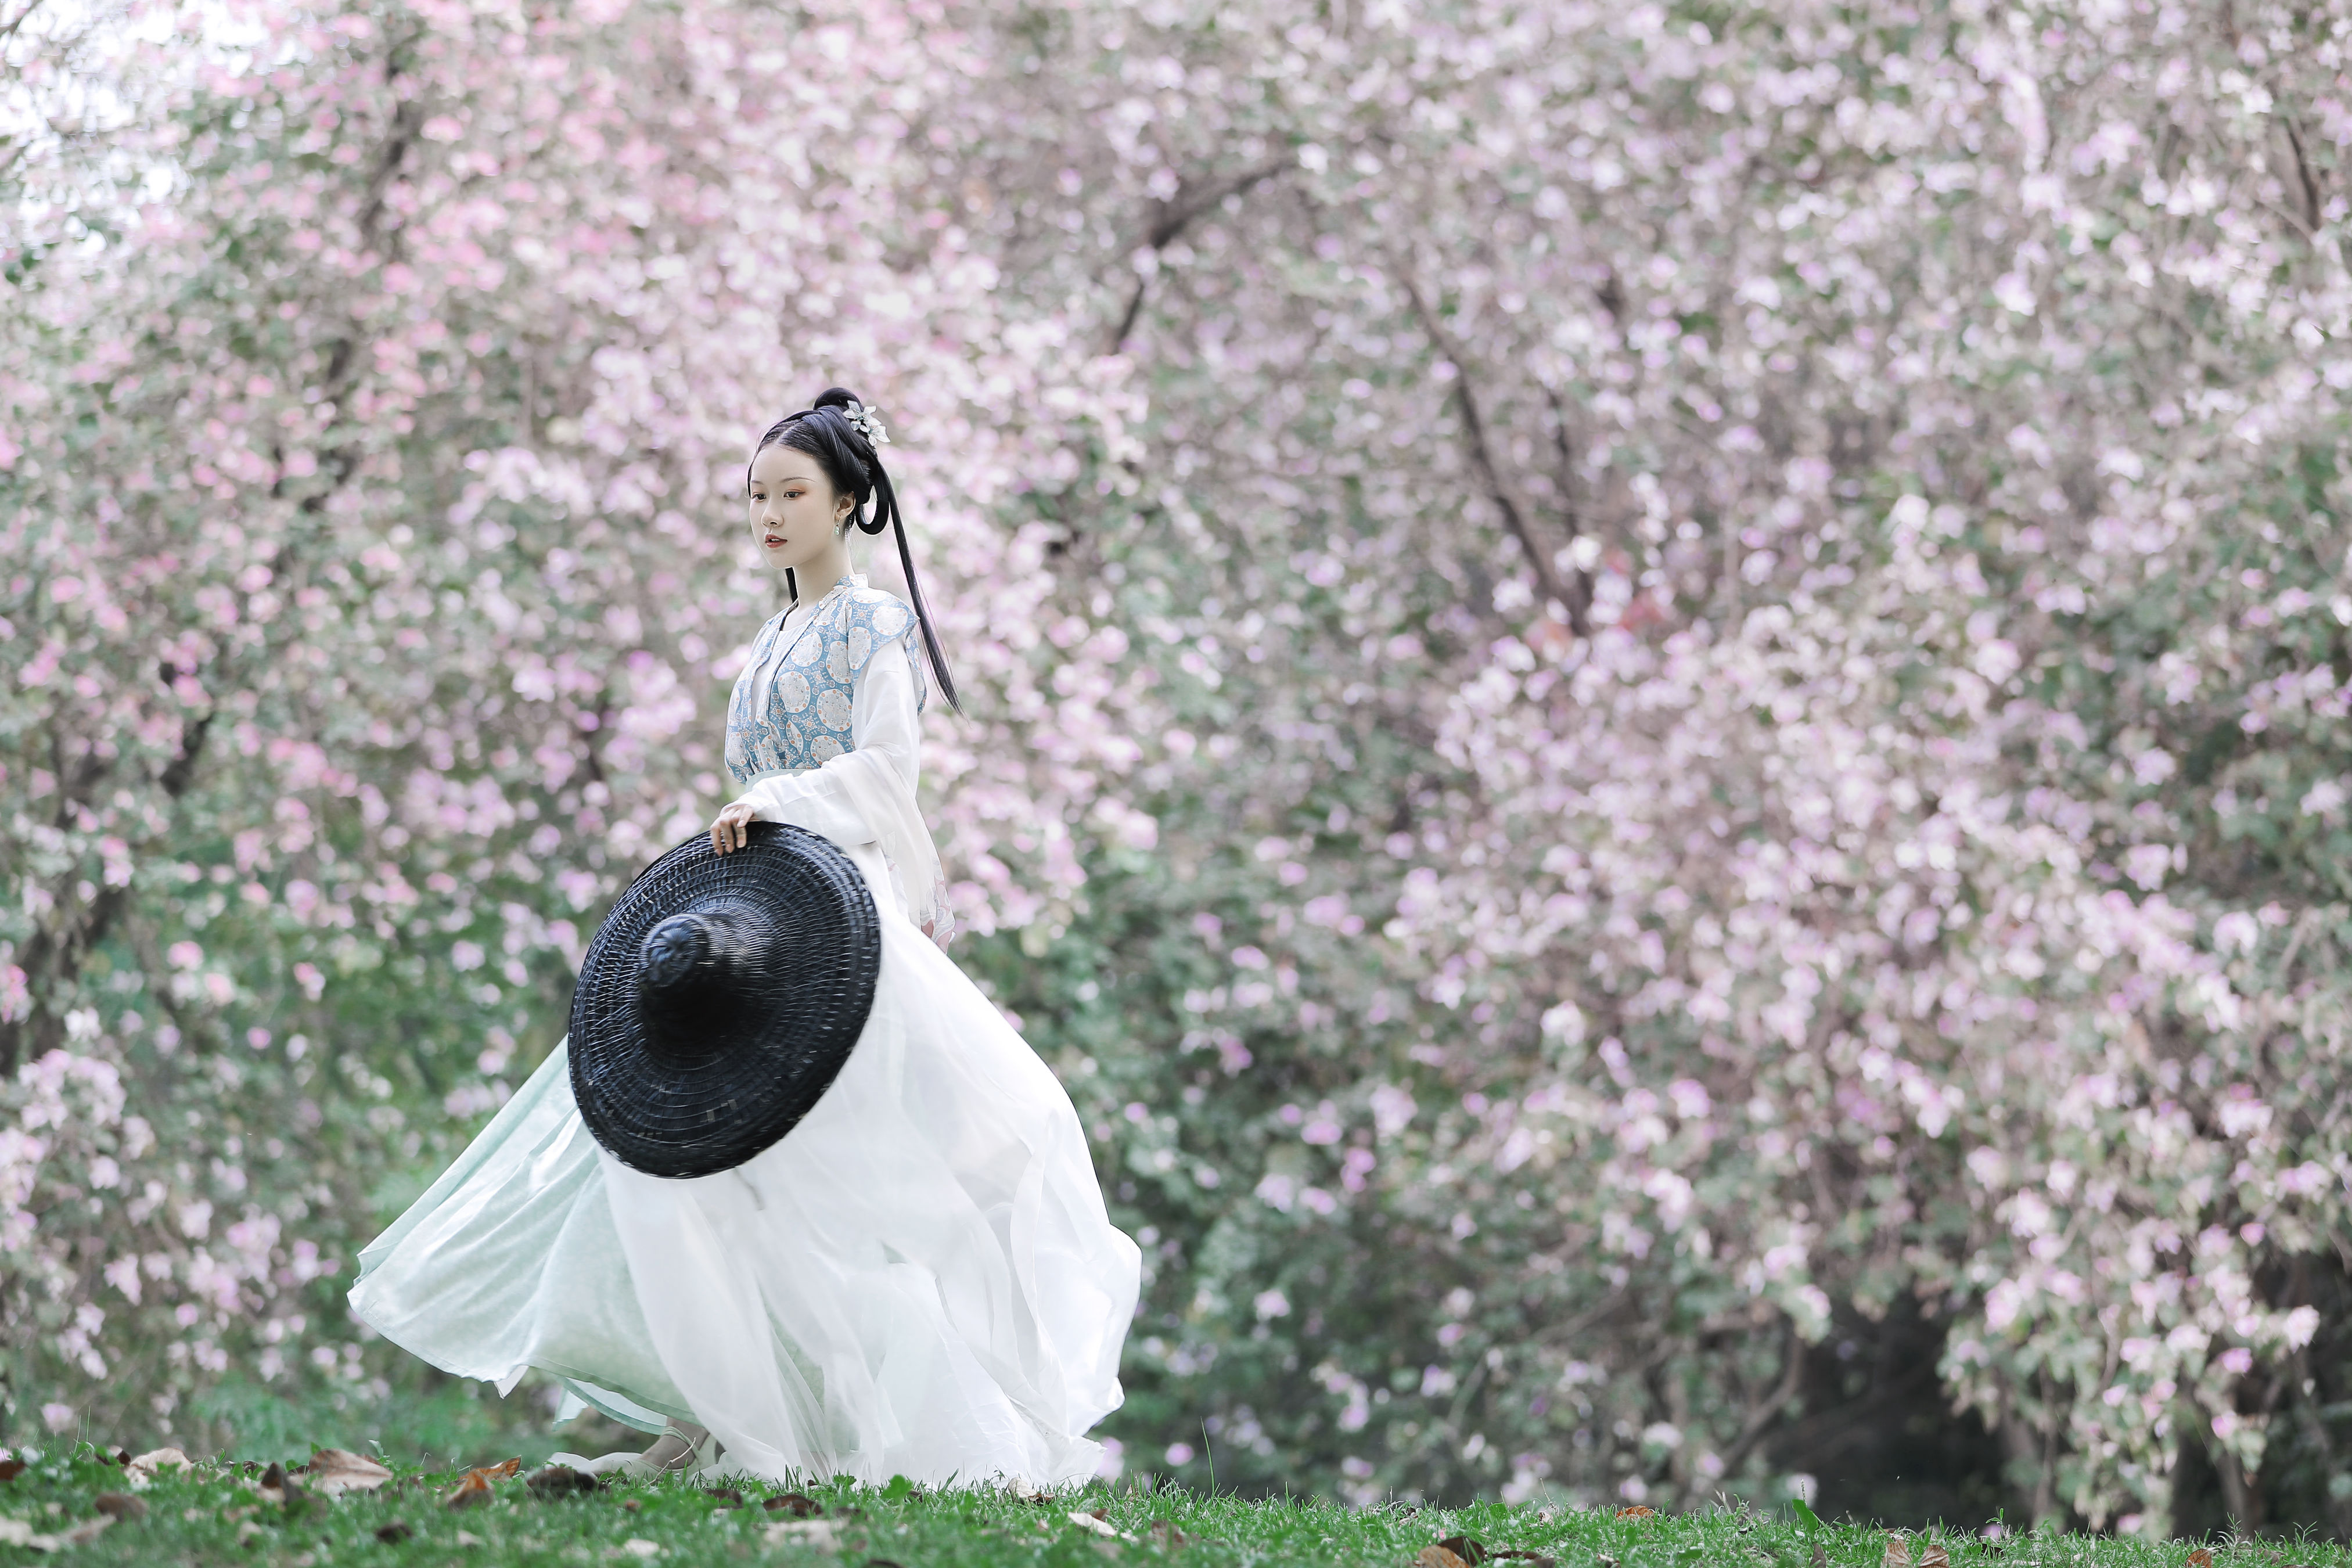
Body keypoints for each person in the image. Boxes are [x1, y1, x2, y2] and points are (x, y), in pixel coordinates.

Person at [348, 388, 1141, 1486]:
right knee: (701, 1167)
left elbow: (886, 771)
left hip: (831, 936)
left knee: (826, 1181)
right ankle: (717, 1416)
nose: (768, 513)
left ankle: (867, 1432)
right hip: (751, 917)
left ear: (851, 502)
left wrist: (788, 806)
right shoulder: (773, 633)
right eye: (756, 495)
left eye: (792, 493)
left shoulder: (874, 622)